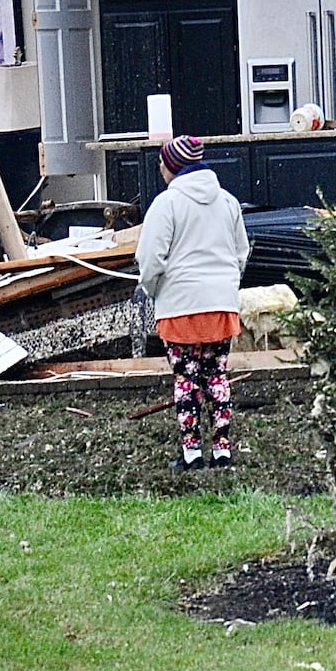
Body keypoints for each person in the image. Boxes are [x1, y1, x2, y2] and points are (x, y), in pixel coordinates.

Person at [137, 135, 251, 471]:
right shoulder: (228, 202)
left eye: (162, 163)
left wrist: (156, 290)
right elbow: (240, 253)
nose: (160, 169)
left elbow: (151, 259)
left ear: (173, 166)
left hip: (179, 309)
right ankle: (222, 451)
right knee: (217, 376)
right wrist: (226, 287)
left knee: (186, 381)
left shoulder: (166, 205)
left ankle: (191, 454)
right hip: (220, 308)